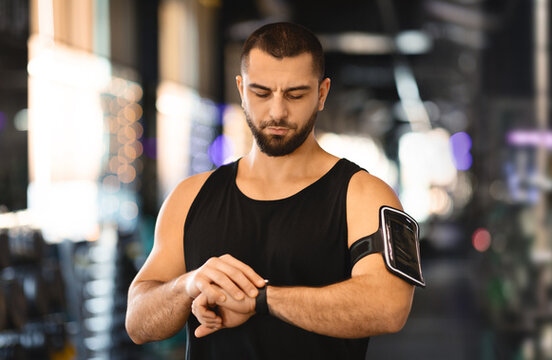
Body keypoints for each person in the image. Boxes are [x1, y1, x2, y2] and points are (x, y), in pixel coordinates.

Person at [125, 22, 414, 359]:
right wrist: (188, 285)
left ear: (322, 94)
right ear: (241, 88)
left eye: (295, 94)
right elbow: (138, 323)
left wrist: (262, 301)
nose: (277, 111)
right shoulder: (190, 197)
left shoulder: (364, 196)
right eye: (261, 93)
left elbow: (389, 307)